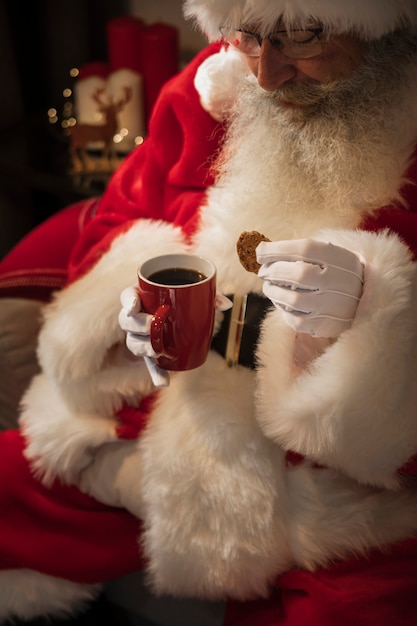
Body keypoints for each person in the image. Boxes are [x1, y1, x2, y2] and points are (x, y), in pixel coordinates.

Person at [1, 0, 417, 624]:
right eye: (249, 37)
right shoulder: (206, 92)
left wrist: (376, 321)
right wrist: (126, 311)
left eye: (302, 35)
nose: (267, 75)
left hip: (329, 487)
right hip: (165, 420)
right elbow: (114, 219)